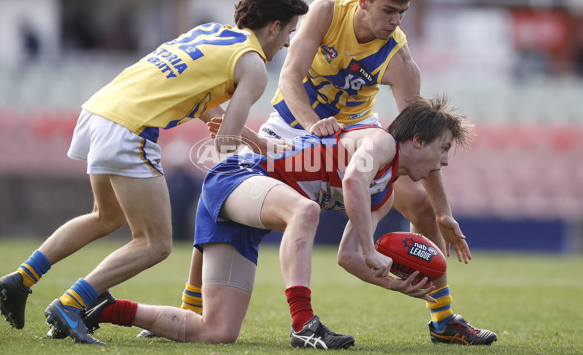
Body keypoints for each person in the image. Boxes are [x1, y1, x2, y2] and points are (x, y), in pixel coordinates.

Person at [0, 0, 308, 345]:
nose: (288, 42)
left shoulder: (211, 32)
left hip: (98, 112)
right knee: (155, 243)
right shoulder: (253, 66)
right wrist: (259, 145)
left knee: (105, 217)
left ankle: (22, 278)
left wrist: (235, 130)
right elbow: (225, 144)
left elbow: (199, 99)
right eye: (289, 31)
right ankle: (70, 304)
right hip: (130, 129)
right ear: (274, 26)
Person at [82, 95, 492, 349]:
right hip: (238, 177)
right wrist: (372, 250)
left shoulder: (384, 194)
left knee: (217, 332)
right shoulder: (380, 141)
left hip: (251, 206)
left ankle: (102, 308)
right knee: (306, 210)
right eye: (442, 149)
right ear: (416, 140)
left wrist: (395, 283)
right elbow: (351, 180)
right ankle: (304, 324)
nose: (445, 162)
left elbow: (349, 257)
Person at [247, 0, 495, 345]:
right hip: (291, 123)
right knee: (234, 189)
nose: (396, 21)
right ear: (364, 1)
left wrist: (444, 211)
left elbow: (423, 139)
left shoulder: (399, 59)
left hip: (354, 135)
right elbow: (289, 76)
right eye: (389, 10)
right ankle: (192, 303)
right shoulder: (326, 12)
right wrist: (314, 124)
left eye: (402, 13)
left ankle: (443, 320)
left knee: (421, 205)